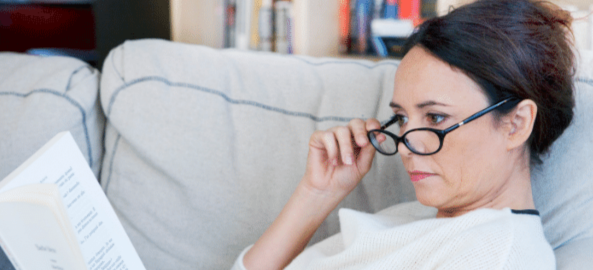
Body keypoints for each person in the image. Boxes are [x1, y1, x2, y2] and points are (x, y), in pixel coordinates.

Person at [232, 0, 575, 269]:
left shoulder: (493, 255)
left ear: (516, 124)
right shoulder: (414, 216)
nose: (407, 146)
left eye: (436, 117)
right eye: (400, 117)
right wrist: (317, 193)